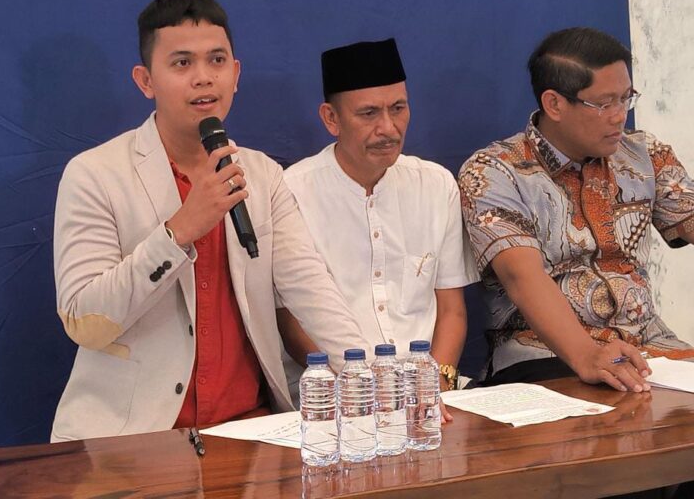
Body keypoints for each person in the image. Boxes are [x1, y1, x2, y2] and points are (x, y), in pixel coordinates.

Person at [51, 0, 370, 442]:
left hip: (250, 428)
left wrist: (374, 381)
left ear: (235, 74)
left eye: (217, 60)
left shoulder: (261, 174)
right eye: (182, 63)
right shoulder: (95, 175)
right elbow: (86, 321)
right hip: (135, 436)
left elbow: (311, 289)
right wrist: (178, 231)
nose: (203, 78)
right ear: (145, 81)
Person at [459, 27, 694, 393]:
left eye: (626, 98)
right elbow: (522, 277)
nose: (620, 116)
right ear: (554, 104)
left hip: (650, 349)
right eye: (605, 103)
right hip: (547, 358)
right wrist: (587, 355)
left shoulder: (644, 153)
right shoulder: (495, 171)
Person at [277, 39, 477, 402]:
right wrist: (360, 393)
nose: (389, 128)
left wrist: (437, 387)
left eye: (398, 108)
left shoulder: (436, 185)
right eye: (369, 113)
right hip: (331, 393)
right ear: (331, 118)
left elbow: (452, 311)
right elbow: (290, 322)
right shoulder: (291, 192)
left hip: (428, 391)